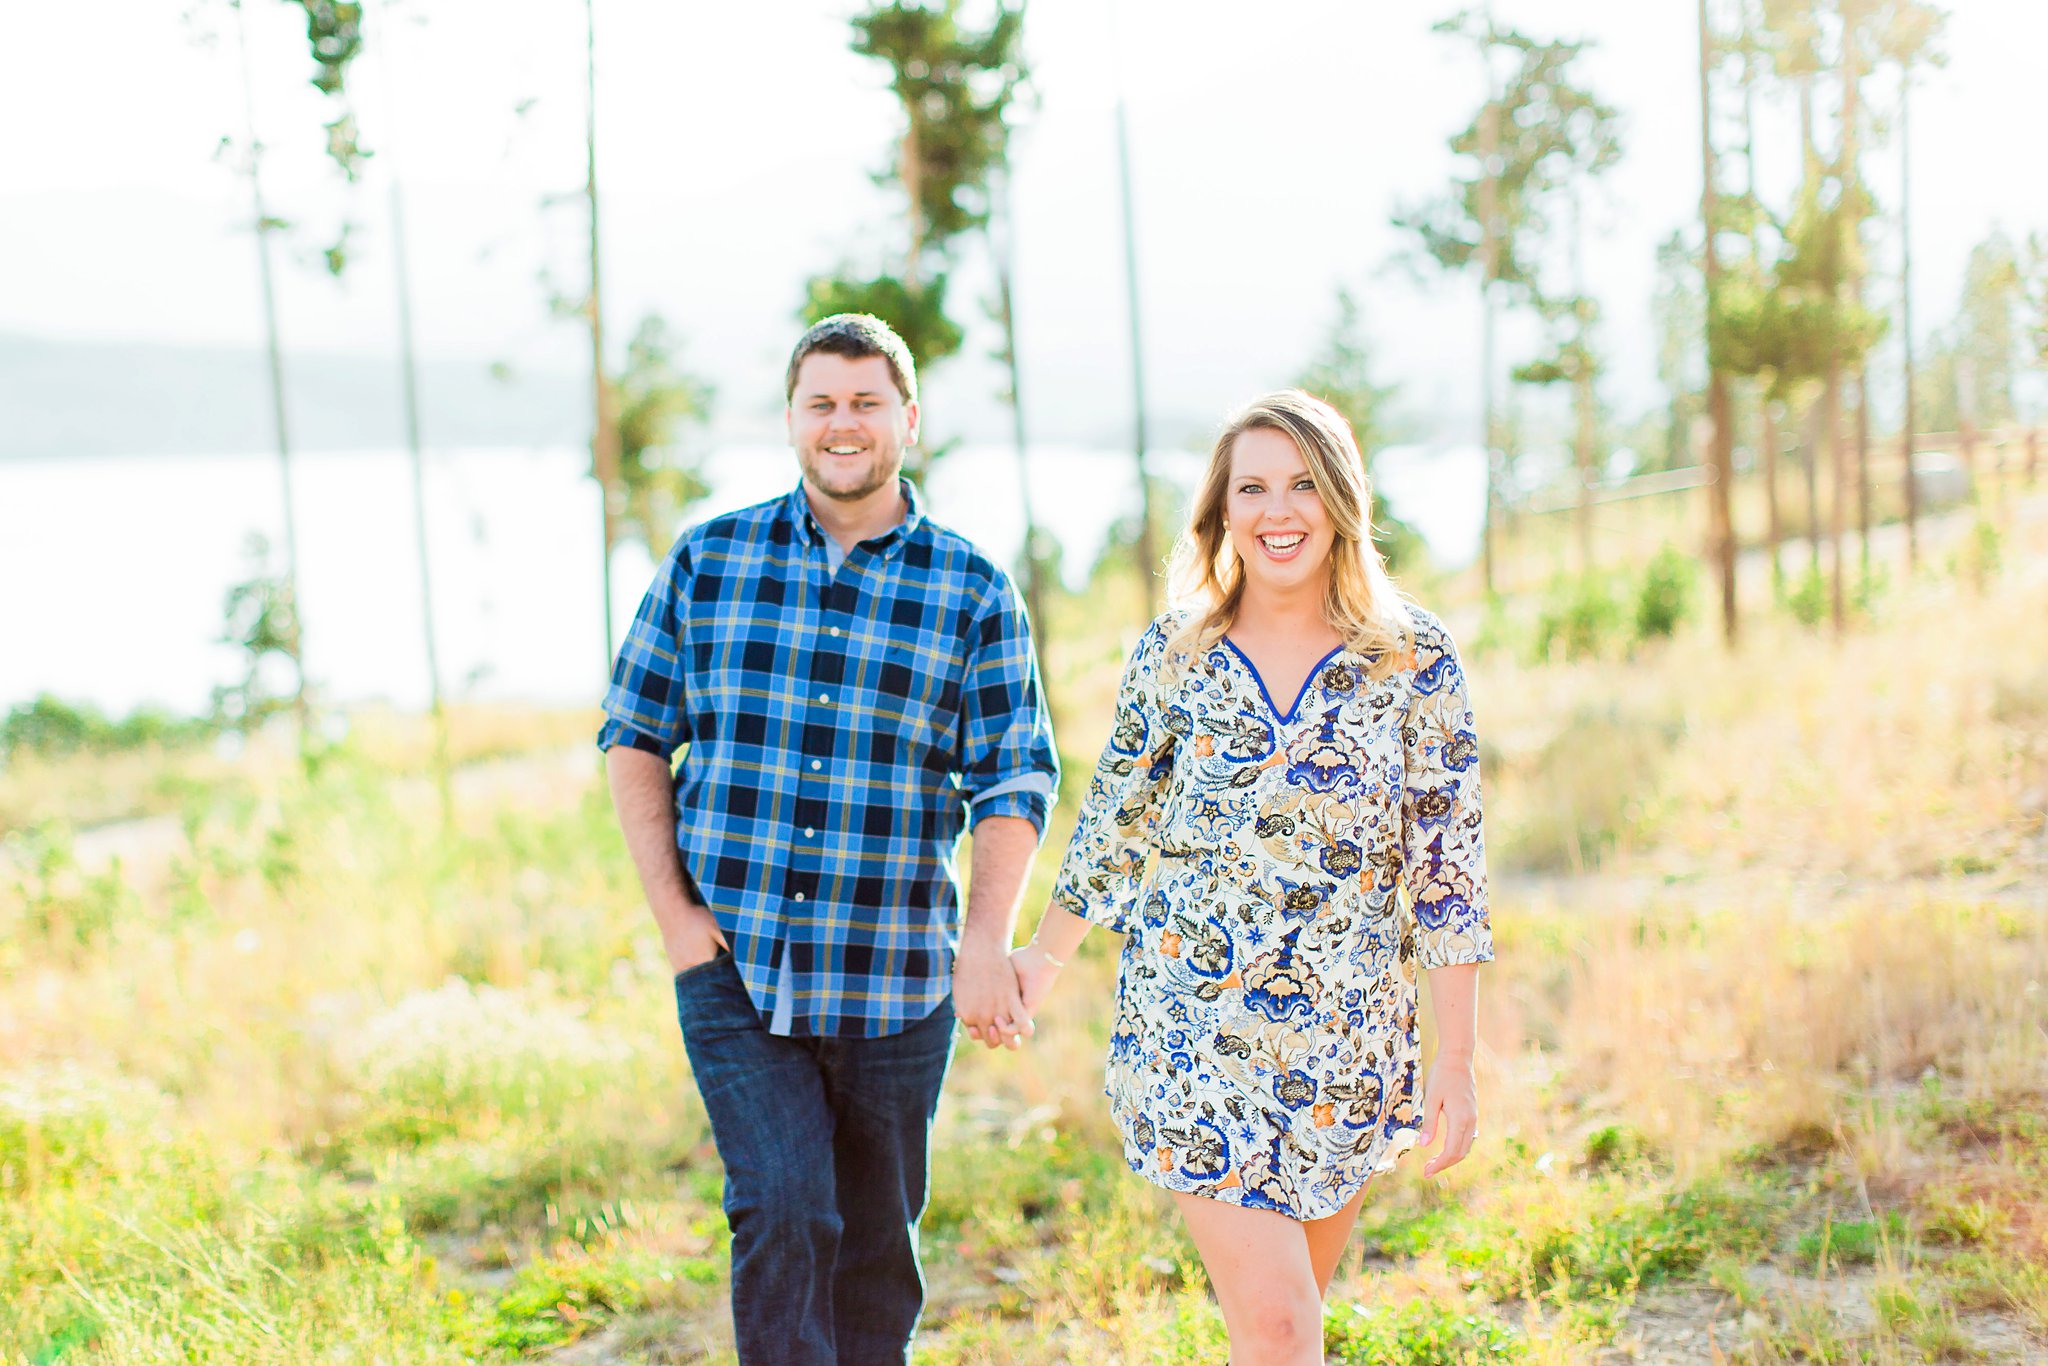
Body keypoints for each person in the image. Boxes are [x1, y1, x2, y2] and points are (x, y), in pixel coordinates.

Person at [598, 313, 1058, 1365]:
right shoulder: (708, 562)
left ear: (906, 417)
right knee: (785, 1210)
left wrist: (985, 940)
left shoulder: (970, 588)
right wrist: (675, 919)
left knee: (872, 1247)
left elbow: (1013, 777)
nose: (841, 424)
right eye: (821, 404)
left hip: (895, 981)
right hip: (734, 964)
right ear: (792, 420)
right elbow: (632, 735)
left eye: (864, 403)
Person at [1011, 390, 1492, 1365]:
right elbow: (1114, 823)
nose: (1279, 510)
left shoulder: (1413, 658)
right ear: (1220, 512)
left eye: (1302, 484)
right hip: (1192, 1034)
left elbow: (1447, 867)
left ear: (1341, 501)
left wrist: (1454, 1058)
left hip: (1346, 1048)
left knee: (1276, 1326)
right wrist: (1038, 961)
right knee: (1280, 1327)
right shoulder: (1173, 655)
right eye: (1253, 487)